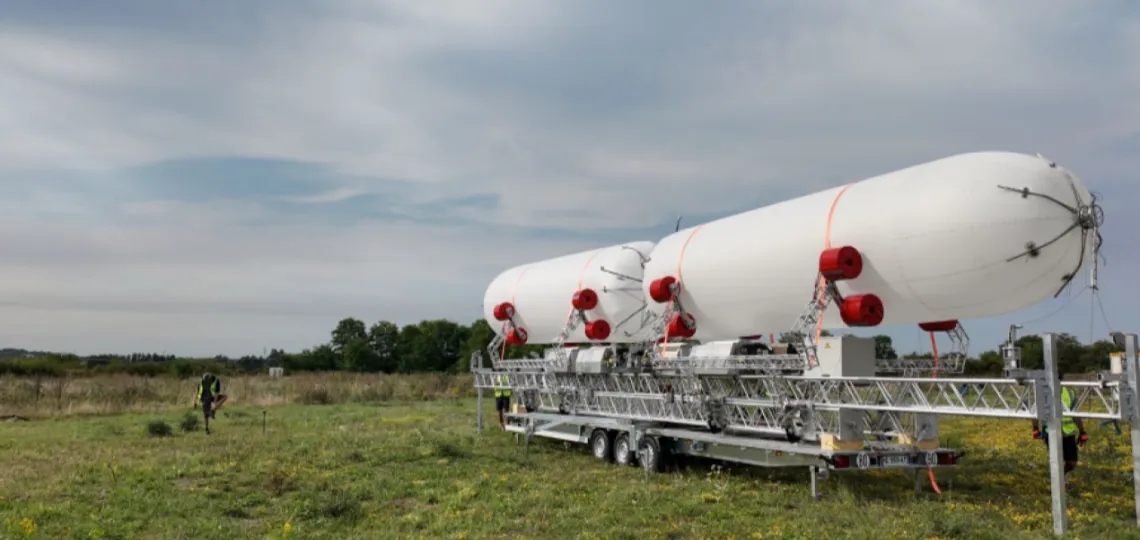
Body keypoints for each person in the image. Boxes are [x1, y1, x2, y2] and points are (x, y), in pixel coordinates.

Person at [1031, 384, 1088, 487]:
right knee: (1057, 460)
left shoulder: (1069, 393)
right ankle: (1060, 483)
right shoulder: (1044, 394)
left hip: (1068, 433)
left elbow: (1075, 414)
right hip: (1051, 432)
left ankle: (1059, 478)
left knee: (1072, 463)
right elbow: (1036, 412)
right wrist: (1035, 428)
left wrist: (1082, 431)